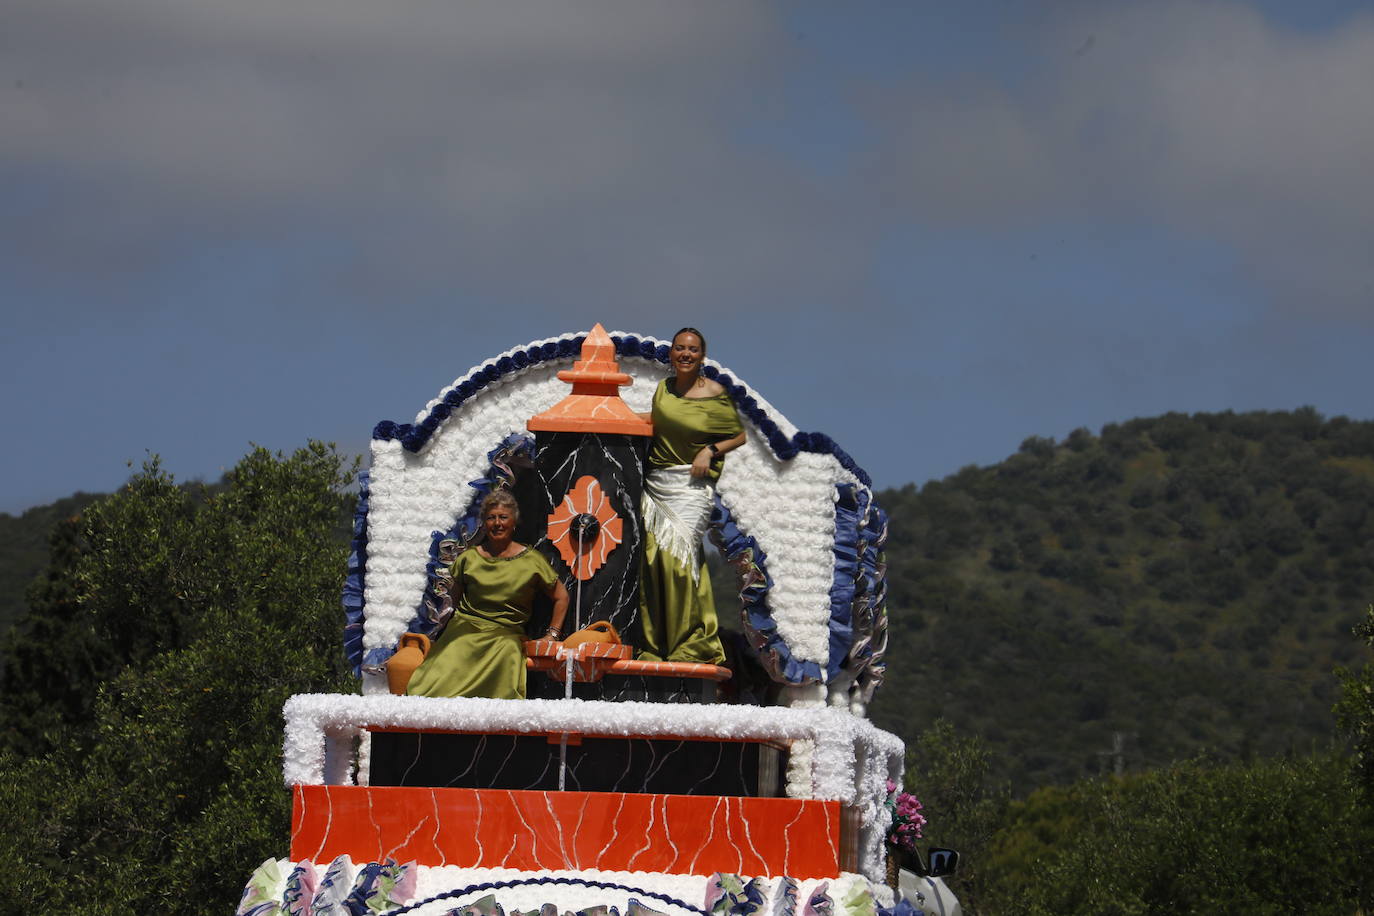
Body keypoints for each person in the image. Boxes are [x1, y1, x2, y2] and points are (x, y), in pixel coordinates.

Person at [636, 328, 747, 664]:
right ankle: (654, 643)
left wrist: (709, 451)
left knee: (679, 563)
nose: (685, 354)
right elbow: (658, 425)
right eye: (680, 348)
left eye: (693, 349)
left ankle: (692, 642)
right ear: (671, 353)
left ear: (702, 355)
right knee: (652, 561)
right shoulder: (663, 389)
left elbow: (738, 435)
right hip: (656, 483)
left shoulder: (714, 393)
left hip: (691, 486)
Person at [407, 490, 569, 699]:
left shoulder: (532, 560)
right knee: (448, 657)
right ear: (484, 523)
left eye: (503, 517)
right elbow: (451, 603)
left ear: (514, 522)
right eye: (491, 518)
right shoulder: (469, 559)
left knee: (507, 651)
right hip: (465, 628)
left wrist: (552, 634)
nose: (497, 523)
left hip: (506, 632)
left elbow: (561, 597)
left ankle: (495, 724)